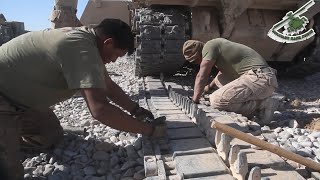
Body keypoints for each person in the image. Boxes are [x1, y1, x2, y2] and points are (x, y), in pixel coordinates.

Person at [0, 18, 164, 180]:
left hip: (22, 100)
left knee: (50, 135)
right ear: (108, 42)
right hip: (4, 97)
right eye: (116, 55)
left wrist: (137, 110)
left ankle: (10, 135)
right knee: (9, 173)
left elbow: (108, 86)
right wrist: (149, 130)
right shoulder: (81, 48)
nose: (114, 60)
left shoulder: (89, 41)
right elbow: (100, 110)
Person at [183, 38, 278, 124]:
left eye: (195, 61)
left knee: (216, 101)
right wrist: (207, 89)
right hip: (262, 78)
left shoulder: (209, 46)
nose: (197, 64)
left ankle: (262, 105)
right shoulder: (218, 48)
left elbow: (202, 75)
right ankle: (255, 100)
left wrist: (195, 100)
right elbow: (220, 76)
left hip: (261, 78)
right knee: (220, 80)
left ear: (199, 54)